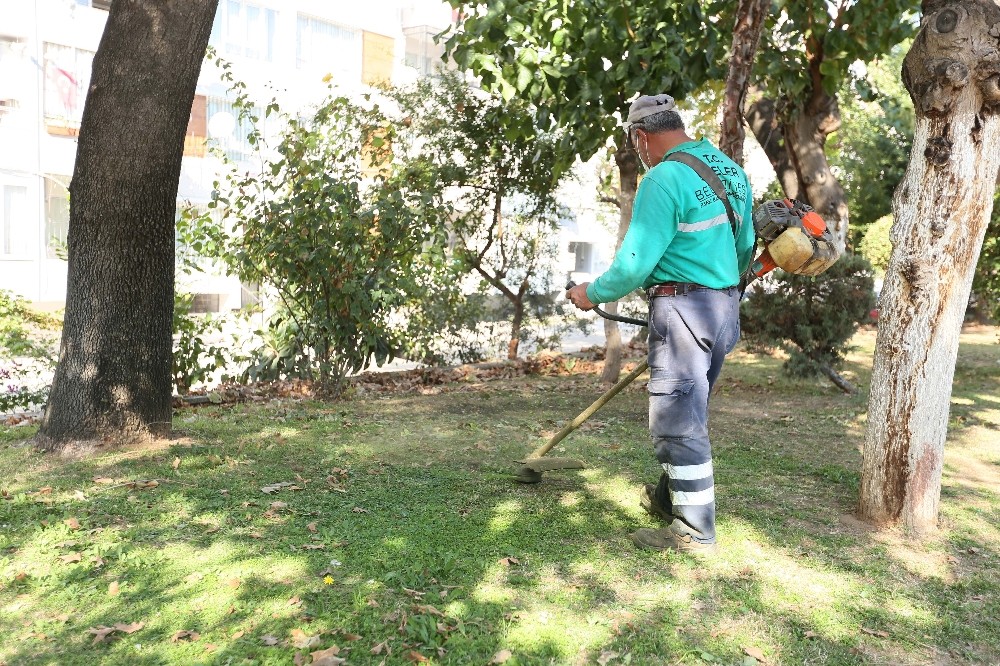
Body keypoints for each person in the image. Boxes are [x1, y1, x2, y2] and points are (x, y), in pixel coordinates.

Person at [566, 93, 755, 554]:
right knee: (690, 407)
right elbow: (744, 245)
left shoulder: (663, 178)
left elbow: (633, 264)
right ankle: (669, 499)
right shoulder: (730, 170)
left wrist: (591, 293)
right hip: (723, 308)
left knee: (677, 418)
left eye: (635, 145)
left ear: (641, 136)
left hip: (684, 310)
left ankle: (694, 531)